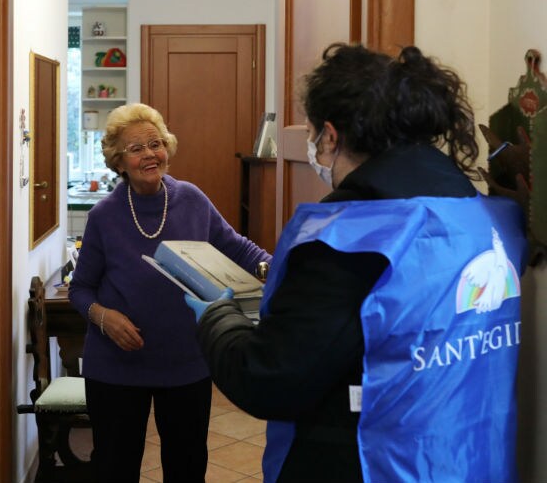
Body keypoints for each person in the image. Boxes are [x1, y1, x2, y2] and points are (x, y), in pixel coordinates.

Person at [185, 44, 528, 482]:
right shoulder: (483, 216)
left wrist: (216, 318)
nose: (311, 146)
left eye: (311, 134)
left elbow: (269, 380)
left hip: (369, 462)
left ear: (330, 135)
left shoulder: (351, 240)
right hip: (470, 458)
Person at [68, 103, 271, 483]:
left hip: (186, 361)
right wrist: (103, 317)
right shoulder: (104, 216)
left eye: (156, 143)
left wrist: (279, 269)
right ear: (118, 160)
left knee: (187, 466)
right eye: (136, 148)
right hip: (116, 366)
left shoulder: (191, 199)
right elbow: (80, 288)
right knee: (115, 466)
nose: (149, 154)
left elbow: (239, 248)